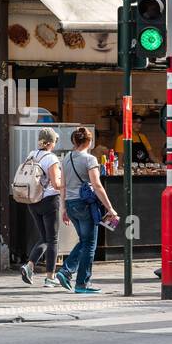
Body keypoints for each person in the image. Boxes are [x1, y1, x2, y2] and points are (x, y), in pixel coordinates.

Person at [55, 126, 119, 294]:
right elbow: (97, 185)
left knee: (84, 241)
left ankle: (67, 271)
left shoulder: (66, 158)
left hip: (70, 204)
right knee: (90, 244)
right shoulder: (89, 159)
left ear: (74, 141)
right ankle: (80, 282)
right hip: (85, 206)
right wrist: (110, 208)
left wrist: (63, 208)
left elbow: (63, 185)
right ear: (89, 142)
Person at [18, 126, 64, 289]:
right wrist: (66, 182)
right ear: (51, 143)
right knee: (53, 240)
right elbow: (56, 184)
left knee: (44, 238)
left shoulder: (32, 154)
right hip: (49, 201)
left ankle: (29, 266)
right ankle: (50, 277)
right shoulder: (51, 159)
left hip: (33, 201)